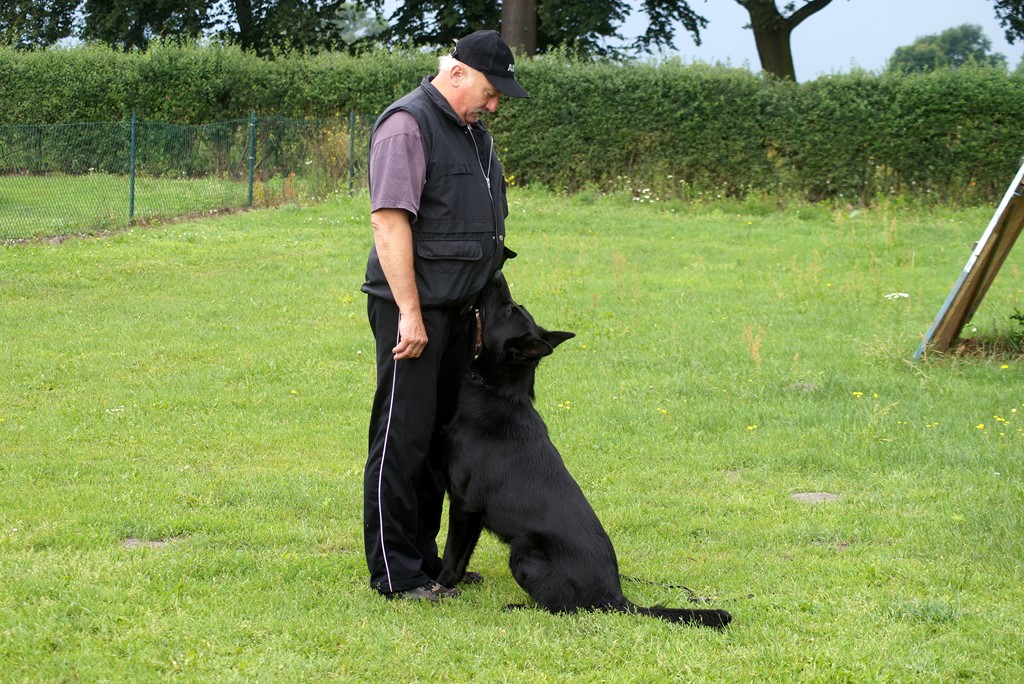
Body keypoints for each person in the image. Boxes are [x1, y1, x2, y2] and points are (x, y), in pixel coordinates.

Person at [361, 30, 530, 601]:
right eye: (489, 90)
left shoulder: (473, 135)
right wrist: (410, 313)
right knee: (401, 440)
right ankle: (395, 571)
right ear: (456, 73)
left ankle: (428, 559)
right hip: (413, 312)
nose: (494, 104)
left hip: (459, 312)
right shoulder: (407, 125)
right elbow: (389, 222)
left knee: (439, 440)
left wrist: (480, 309)